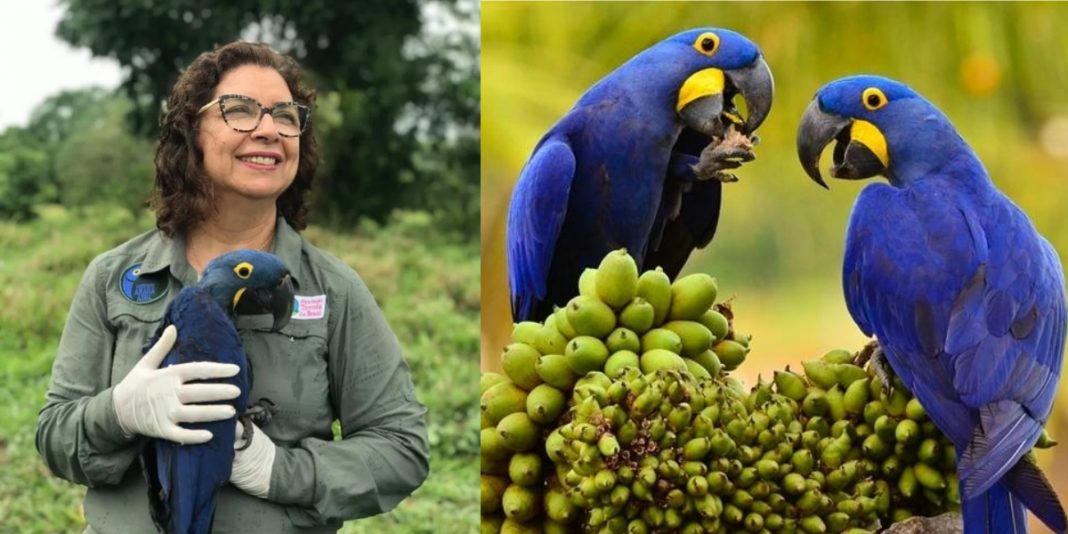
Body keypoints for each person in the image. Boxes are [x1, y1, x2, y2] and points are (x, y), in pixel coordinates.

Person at [35, 41, 430, 533]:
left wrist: (280, 471)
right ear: (191, 131)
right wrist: (117, 413)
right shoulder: (114, 278)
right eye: (239, 110)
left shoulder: (335, 290)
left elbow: (403, 449)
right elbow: (55, 438)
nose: (268, 129)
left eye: (286, 116)